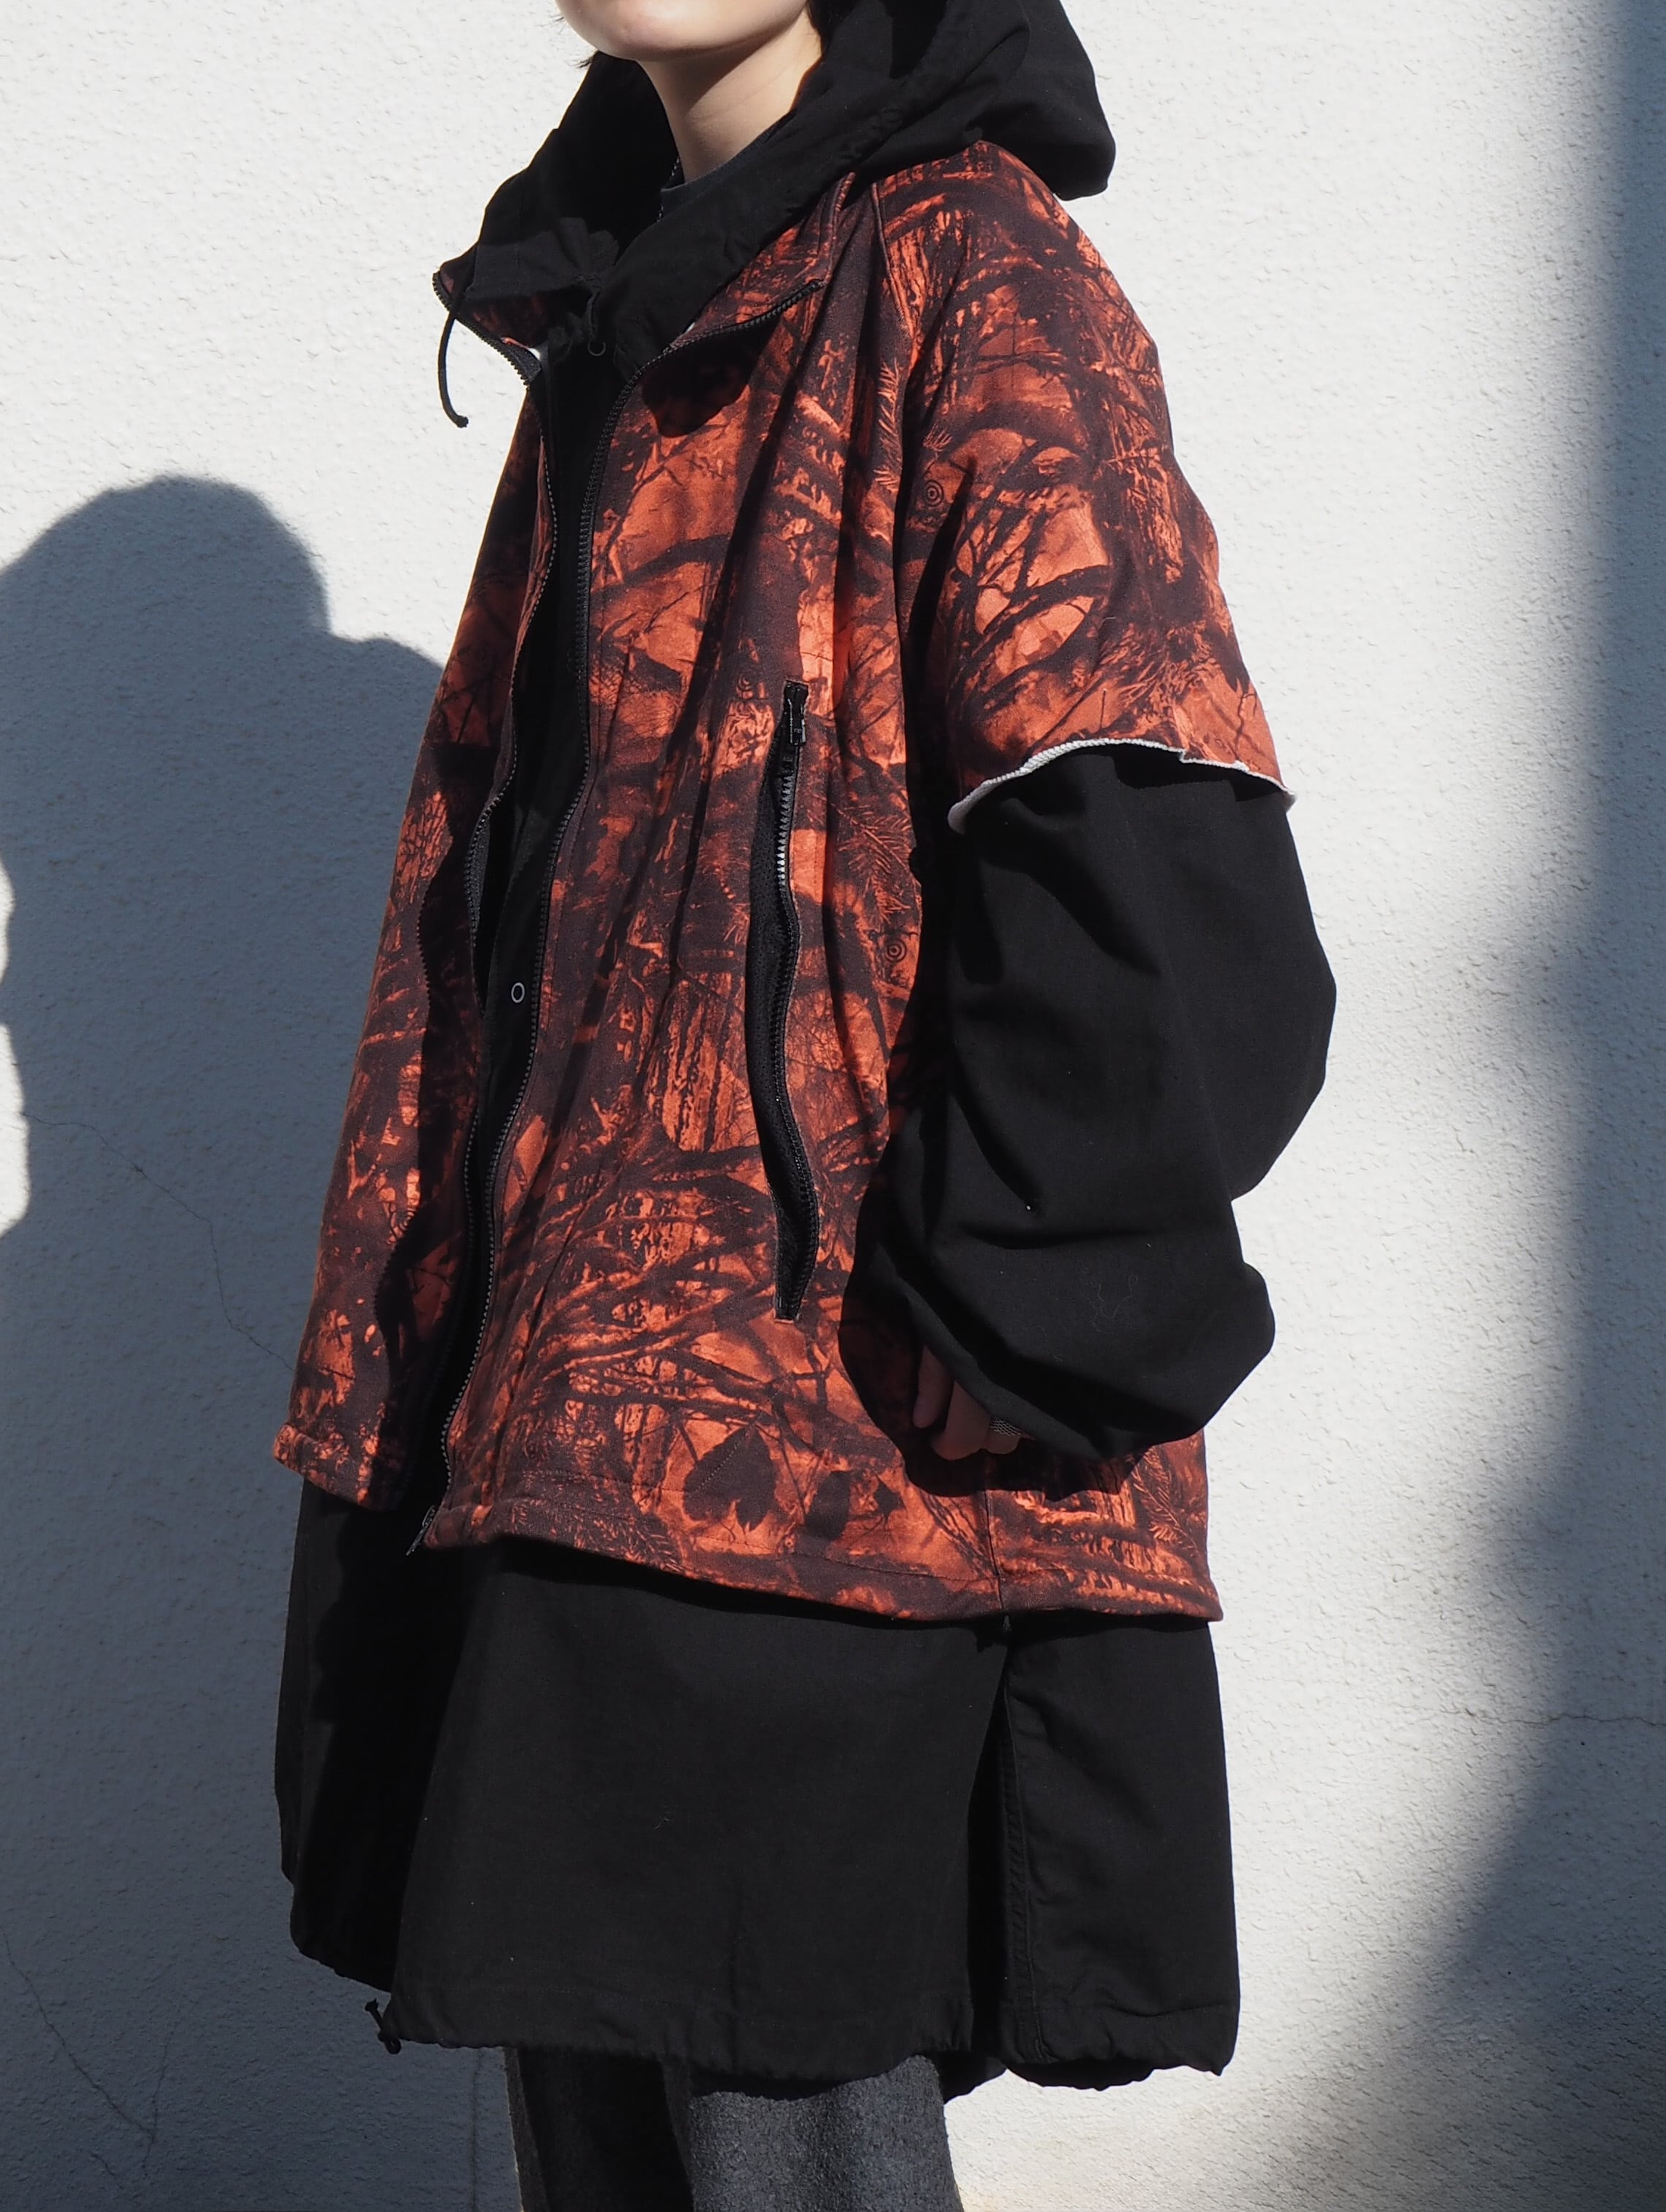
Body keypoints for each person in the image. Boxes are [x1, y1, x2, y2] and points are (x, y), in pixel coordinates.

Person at [273, 1, 1336, 2205]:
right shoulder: (618, 320)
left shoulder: (969, 271)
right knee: (603, 2140)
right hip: (561, 1434)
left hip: (813, 1456)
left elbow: (1150, 853)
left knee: (778, 2133)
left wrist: (1002, 1306)